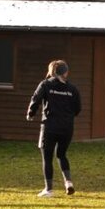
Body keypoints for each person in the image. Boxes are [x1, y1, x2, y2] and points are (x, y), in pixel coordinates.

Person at [26, 60, 82, 197]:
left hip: (49, 126)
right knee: (62, 154)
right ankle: (68, 183)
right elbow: (78, 108)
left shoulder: (45, 84)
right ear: (66, 72)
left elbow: (35, 99)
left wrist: (30, 114)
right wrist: (67, 117)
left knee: (47, 157)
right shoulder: (72, 89)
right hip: (67, 128)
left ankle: (49, 189)